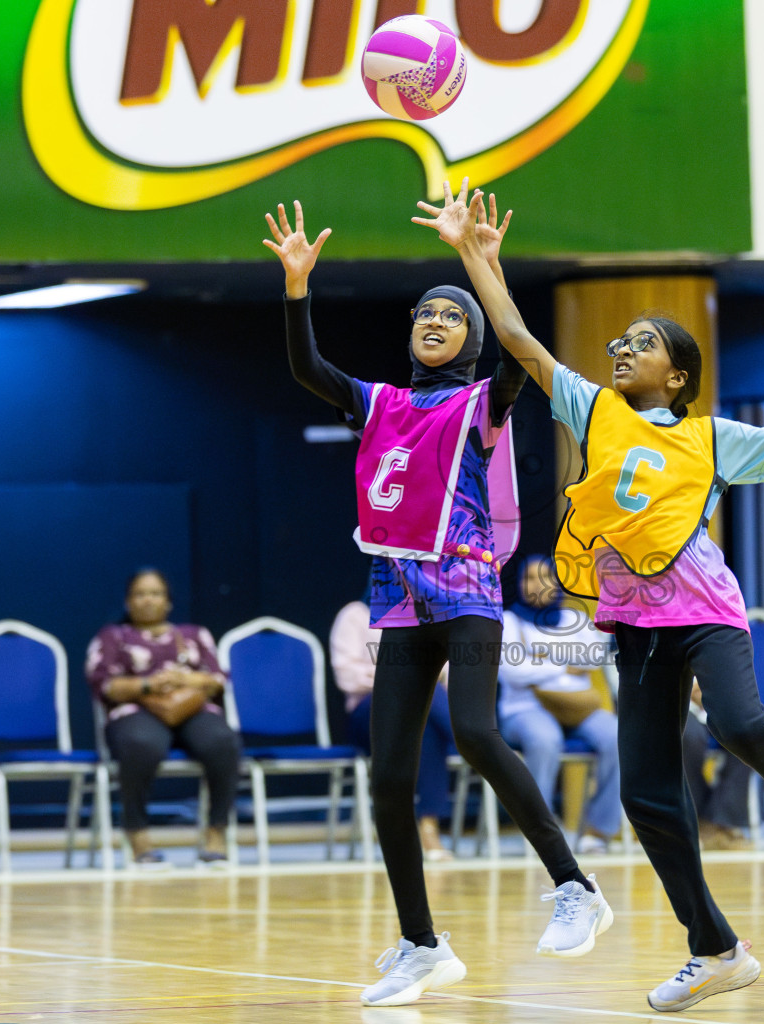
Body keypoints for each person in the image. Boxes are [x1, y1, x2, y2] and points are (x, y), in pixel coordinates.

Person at [416, 179, 764, 1012]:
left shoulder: (716, 438)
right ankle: (714, 947)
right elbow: (521, 340)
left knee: (743, 725)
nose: (620, 349)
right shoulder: (592, 408)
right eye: (621, 341)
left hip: (707, 612)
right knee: (646, 792)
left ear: (677, 377)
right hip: (635, 628)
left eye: (642, 343)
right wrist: (477, 256)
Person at [263, 199, 611, 1008]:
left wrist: (478, 265)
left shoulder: (482, 404)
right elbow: (307, 369)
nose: (436, 318)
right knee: (388, 777)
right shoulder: (378, 402)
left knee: (481, 731)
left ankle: (576, 887)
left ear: (470, 340)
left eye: (451, 315)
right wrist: (296, 288)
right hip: (399, 599)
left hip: (467, 592)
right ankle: (421, 945)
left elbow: (520, 349)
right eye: (426, 311)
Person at [85, 569, 241, 868]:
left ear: (168, 602)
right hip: (136, 710)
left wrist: (185, 679)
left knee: (222, 741)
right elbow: (103, 684)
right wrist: (147, 684)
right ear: (128, 601)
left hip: (191, 707)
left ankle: (216, 832)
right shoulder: (113, 637)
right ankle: (138, 835)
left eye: (155, 593)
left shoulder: (194, 635)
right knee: (142, 743)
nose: (148, 600)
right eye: (140, 594)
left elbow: (219, 679)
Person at [498, 555, 620, 854]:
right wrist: (564, 665)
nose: (534, 585)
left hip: (577, 709)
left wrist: (539, 659)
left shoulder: (573, 619)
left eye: (543, 577)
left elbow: (592, 657)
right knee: (544, 738)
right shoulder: (509, 621)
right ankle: (542, 830)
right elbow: (511, 670)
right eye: (528, 578)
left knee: (618, 736)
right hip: (525, 710)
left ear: (557, 583)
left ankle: (598, 831)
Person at [331, 590, 454, 861]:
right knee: (421, 690)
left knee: (428, 729)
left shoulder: (423, 613)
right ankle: (473, 741)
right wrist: (401, 673)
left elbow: (443, 666)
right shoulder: (355, 614)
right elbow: (347, 676)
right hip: (368, 713)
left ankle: (428, 827)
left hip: (415, 713)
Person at [683, 681, 755, 852]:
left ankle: (720, 821)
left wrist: (712, 691)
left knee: (749, 733)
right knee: (686, 734)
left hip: (714, 705)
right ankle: (698, 820)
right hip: (674, 705)